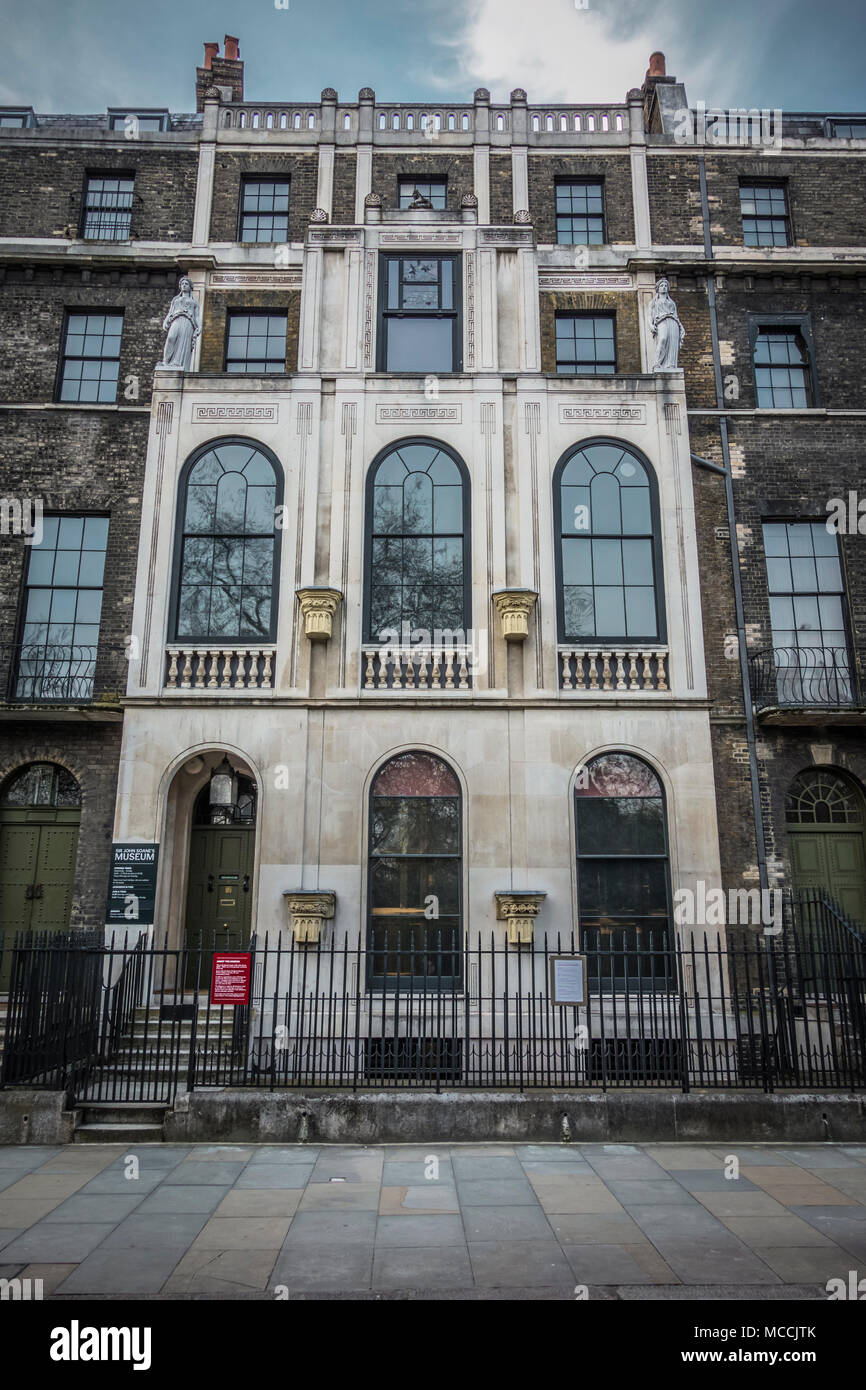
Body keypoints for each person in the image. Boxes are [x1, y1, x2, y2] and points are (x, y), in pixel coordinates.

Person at [158, 276, 202, 370]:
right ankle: (166, 361)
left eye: (186, 284)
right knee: (171, 338)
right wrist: (165, 321)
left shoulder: (194, 302)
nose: (184, 285)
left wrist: (200, 326)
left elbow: (197, 316)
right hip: (176, 319)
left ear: (190, 287)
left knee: (183, 344)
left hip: (188, 322)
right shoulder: (175, 300)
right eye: (182, 284)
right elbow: (170, 312)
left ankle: (178, 363)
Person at [649, 277, 685, 370]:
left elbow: (676, 316)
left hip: (673, 322)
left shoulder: (672, 302)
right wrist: (651, 325)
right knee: (663, 339)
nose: (664, 287)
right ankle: (657, 363)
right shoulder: (653, 302)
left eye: (665, 285)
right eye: (662, 285)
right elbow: (649, 316)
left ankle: (670, 365)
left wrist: (681, 327)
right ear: (658, 288)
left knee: (673, 343)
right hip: (661, 321)